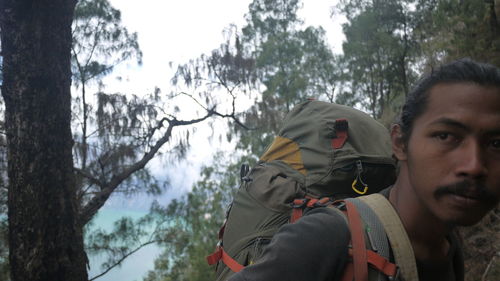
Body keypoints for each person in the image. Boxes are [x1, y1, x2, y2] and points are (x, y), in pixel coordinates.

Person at [227, 58, 500, 281]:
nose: (474, 165)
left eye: (496, 143)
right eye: (446, 136)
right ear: (400, 143)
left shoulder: (448, 245)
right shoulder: (327, 237)